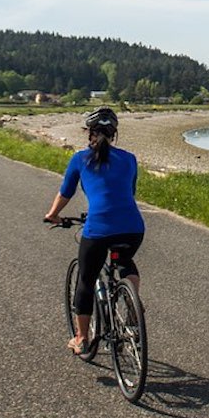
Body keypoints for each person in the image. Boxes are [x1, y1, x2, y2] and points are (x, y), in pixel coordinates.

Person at [44, 107, 146, 355]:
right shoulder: (130, 158)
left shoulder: (80, 159)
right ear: (114, 133)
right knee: (124, 260)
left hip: (100, 226)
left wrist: (53, 215)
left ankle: (81, 338)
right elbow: (127, 193)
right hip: (133, 227)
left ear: (89, 132)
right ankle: (133, 303)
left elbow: (66, 192)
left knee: (86, 280)